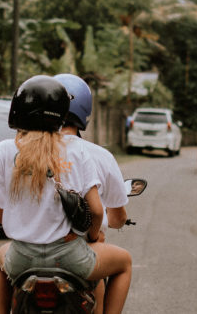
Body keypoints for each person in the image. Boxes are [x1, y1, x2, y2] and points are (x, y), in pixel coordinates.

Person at [0, 75, 132, 314]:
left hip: (20, 258)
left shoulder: (6, 150)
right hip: (70, 257)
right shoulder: (78, 151)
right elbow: (97, 210)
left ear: (17, 111)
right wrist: (92, 236)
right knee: (124, 263)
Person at [56, 73, 130, 314]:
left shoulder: (26, 152)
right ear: (85, 112)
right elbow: (112, 216)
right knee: (123, 263)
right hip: (79, 250)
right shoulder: (99, 156)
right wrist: (94, 233)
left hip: (30, 249)